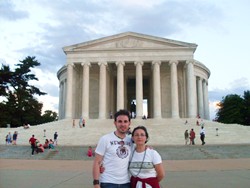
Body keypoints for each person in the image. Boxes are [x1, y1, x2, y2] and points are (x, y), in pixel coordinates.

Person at [93, 109, 132, 188]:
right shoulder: (105, 139)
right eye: (120, 121)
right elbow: (97, 162)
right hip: (108, 182)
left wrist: (147, 147)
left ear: (129, 123)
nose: (123, 124)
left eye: (125, 121)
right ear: (115, 123)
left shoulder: (131, 141)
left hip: (126, 182)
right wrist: (96, 183)